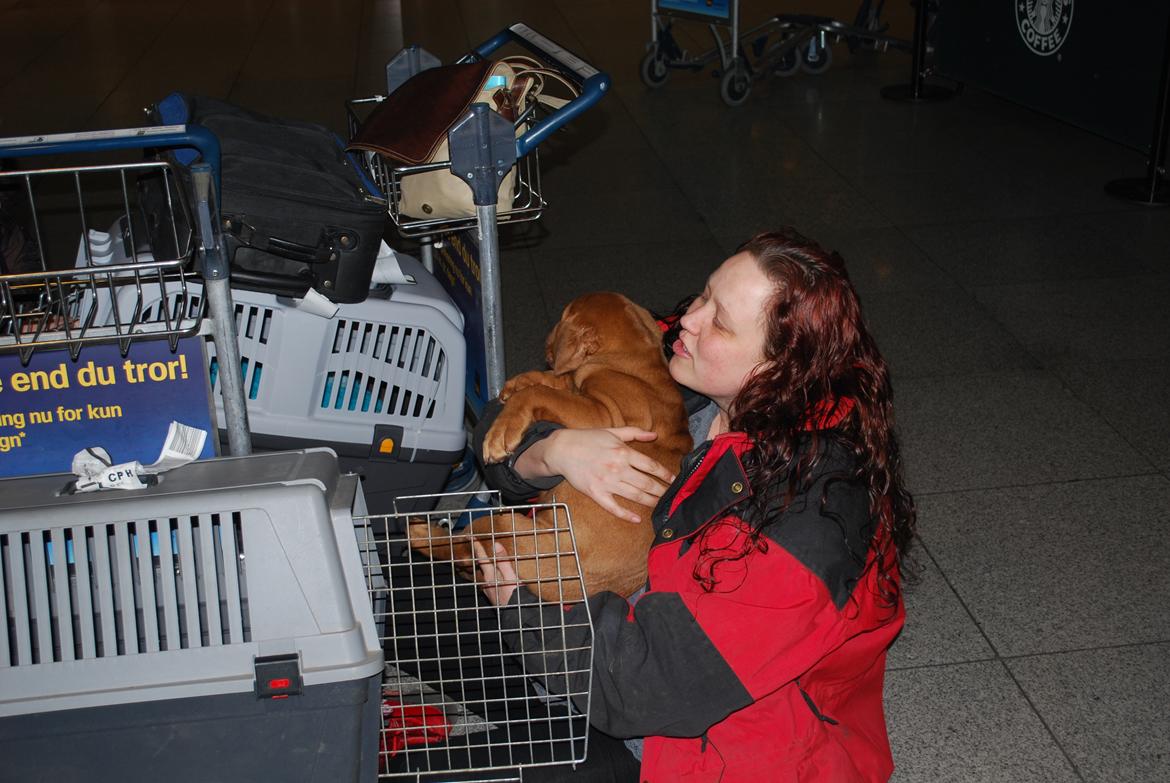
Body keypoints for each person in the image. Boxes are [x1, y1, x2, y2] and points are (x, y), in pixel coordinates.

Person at [469, 228, 917, 782]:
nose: (688, 320)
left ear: (777, 369)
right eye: (704, 294)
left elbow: (643, 687)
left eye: (719, 321)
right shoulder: (685, 368)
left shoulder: (808, 519)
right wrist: (551, 451)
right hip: (610, 638)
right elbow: (501, 416)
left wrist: (520, 608)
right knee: (400, 579)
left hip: (695, 747)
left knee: (419, 770)